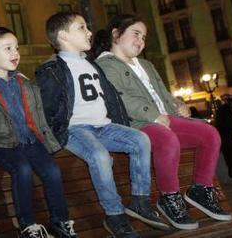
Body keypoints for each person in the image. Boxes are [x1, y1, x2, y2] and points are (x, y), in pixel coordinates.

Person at [92, 14, 232, 230]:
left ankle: (201, 191)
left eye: (144, 37)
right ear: (116, 34)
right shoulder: (105, 64)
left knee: (209, 133)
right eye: (136, 34)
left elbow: (160, 94)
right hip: (136, 123)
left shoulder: (146, 64)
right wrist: (153, 115)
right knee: (166, 139)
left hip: (164, 119)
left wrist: (177, 104)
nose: (140, 41)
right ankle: (169, 197)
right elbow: (119, 97)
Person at [36, 12, 167, 238]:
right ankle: (115, 215)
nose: (89, 32)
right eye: (81, 28)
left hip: (104, 126)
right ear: (63, 36)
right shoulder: (50, 70)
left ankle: (140, 200)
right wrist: (53, 139)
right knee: (99, 156)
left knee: (140, 140)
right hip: (76, 128)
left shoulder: (92, 63)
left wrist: (122, 125)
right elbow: (46, 108)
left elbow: (111, 99)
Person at [0, 27, 77, 238]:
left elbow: (39, 114)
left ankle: (60, 222)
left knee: (52, 170)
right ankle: (28, 227)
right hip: (0, 143)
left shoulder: (23, 82)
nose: (15, 53)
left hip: (29, 140)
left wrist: (49, 141)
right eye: (8, 48)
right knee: (21, 169)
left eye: (16, 48)